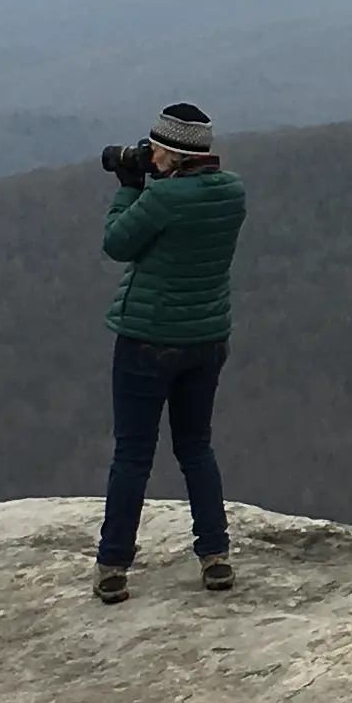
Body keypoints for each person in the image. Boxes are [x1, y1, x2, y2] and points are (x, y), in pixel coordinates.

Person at [94, 102, 247, 601]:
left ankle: (114, 567)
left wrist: (126, 186)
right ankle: (215, 557)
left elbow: (118, 243)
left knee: (133, 455)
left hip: (148, 341)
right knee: (196, 448)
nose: (150, 155)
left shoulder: (163, 201)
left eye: (157, 149)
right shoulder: (232, 194)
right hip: (206, 340)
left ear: (175, 154)